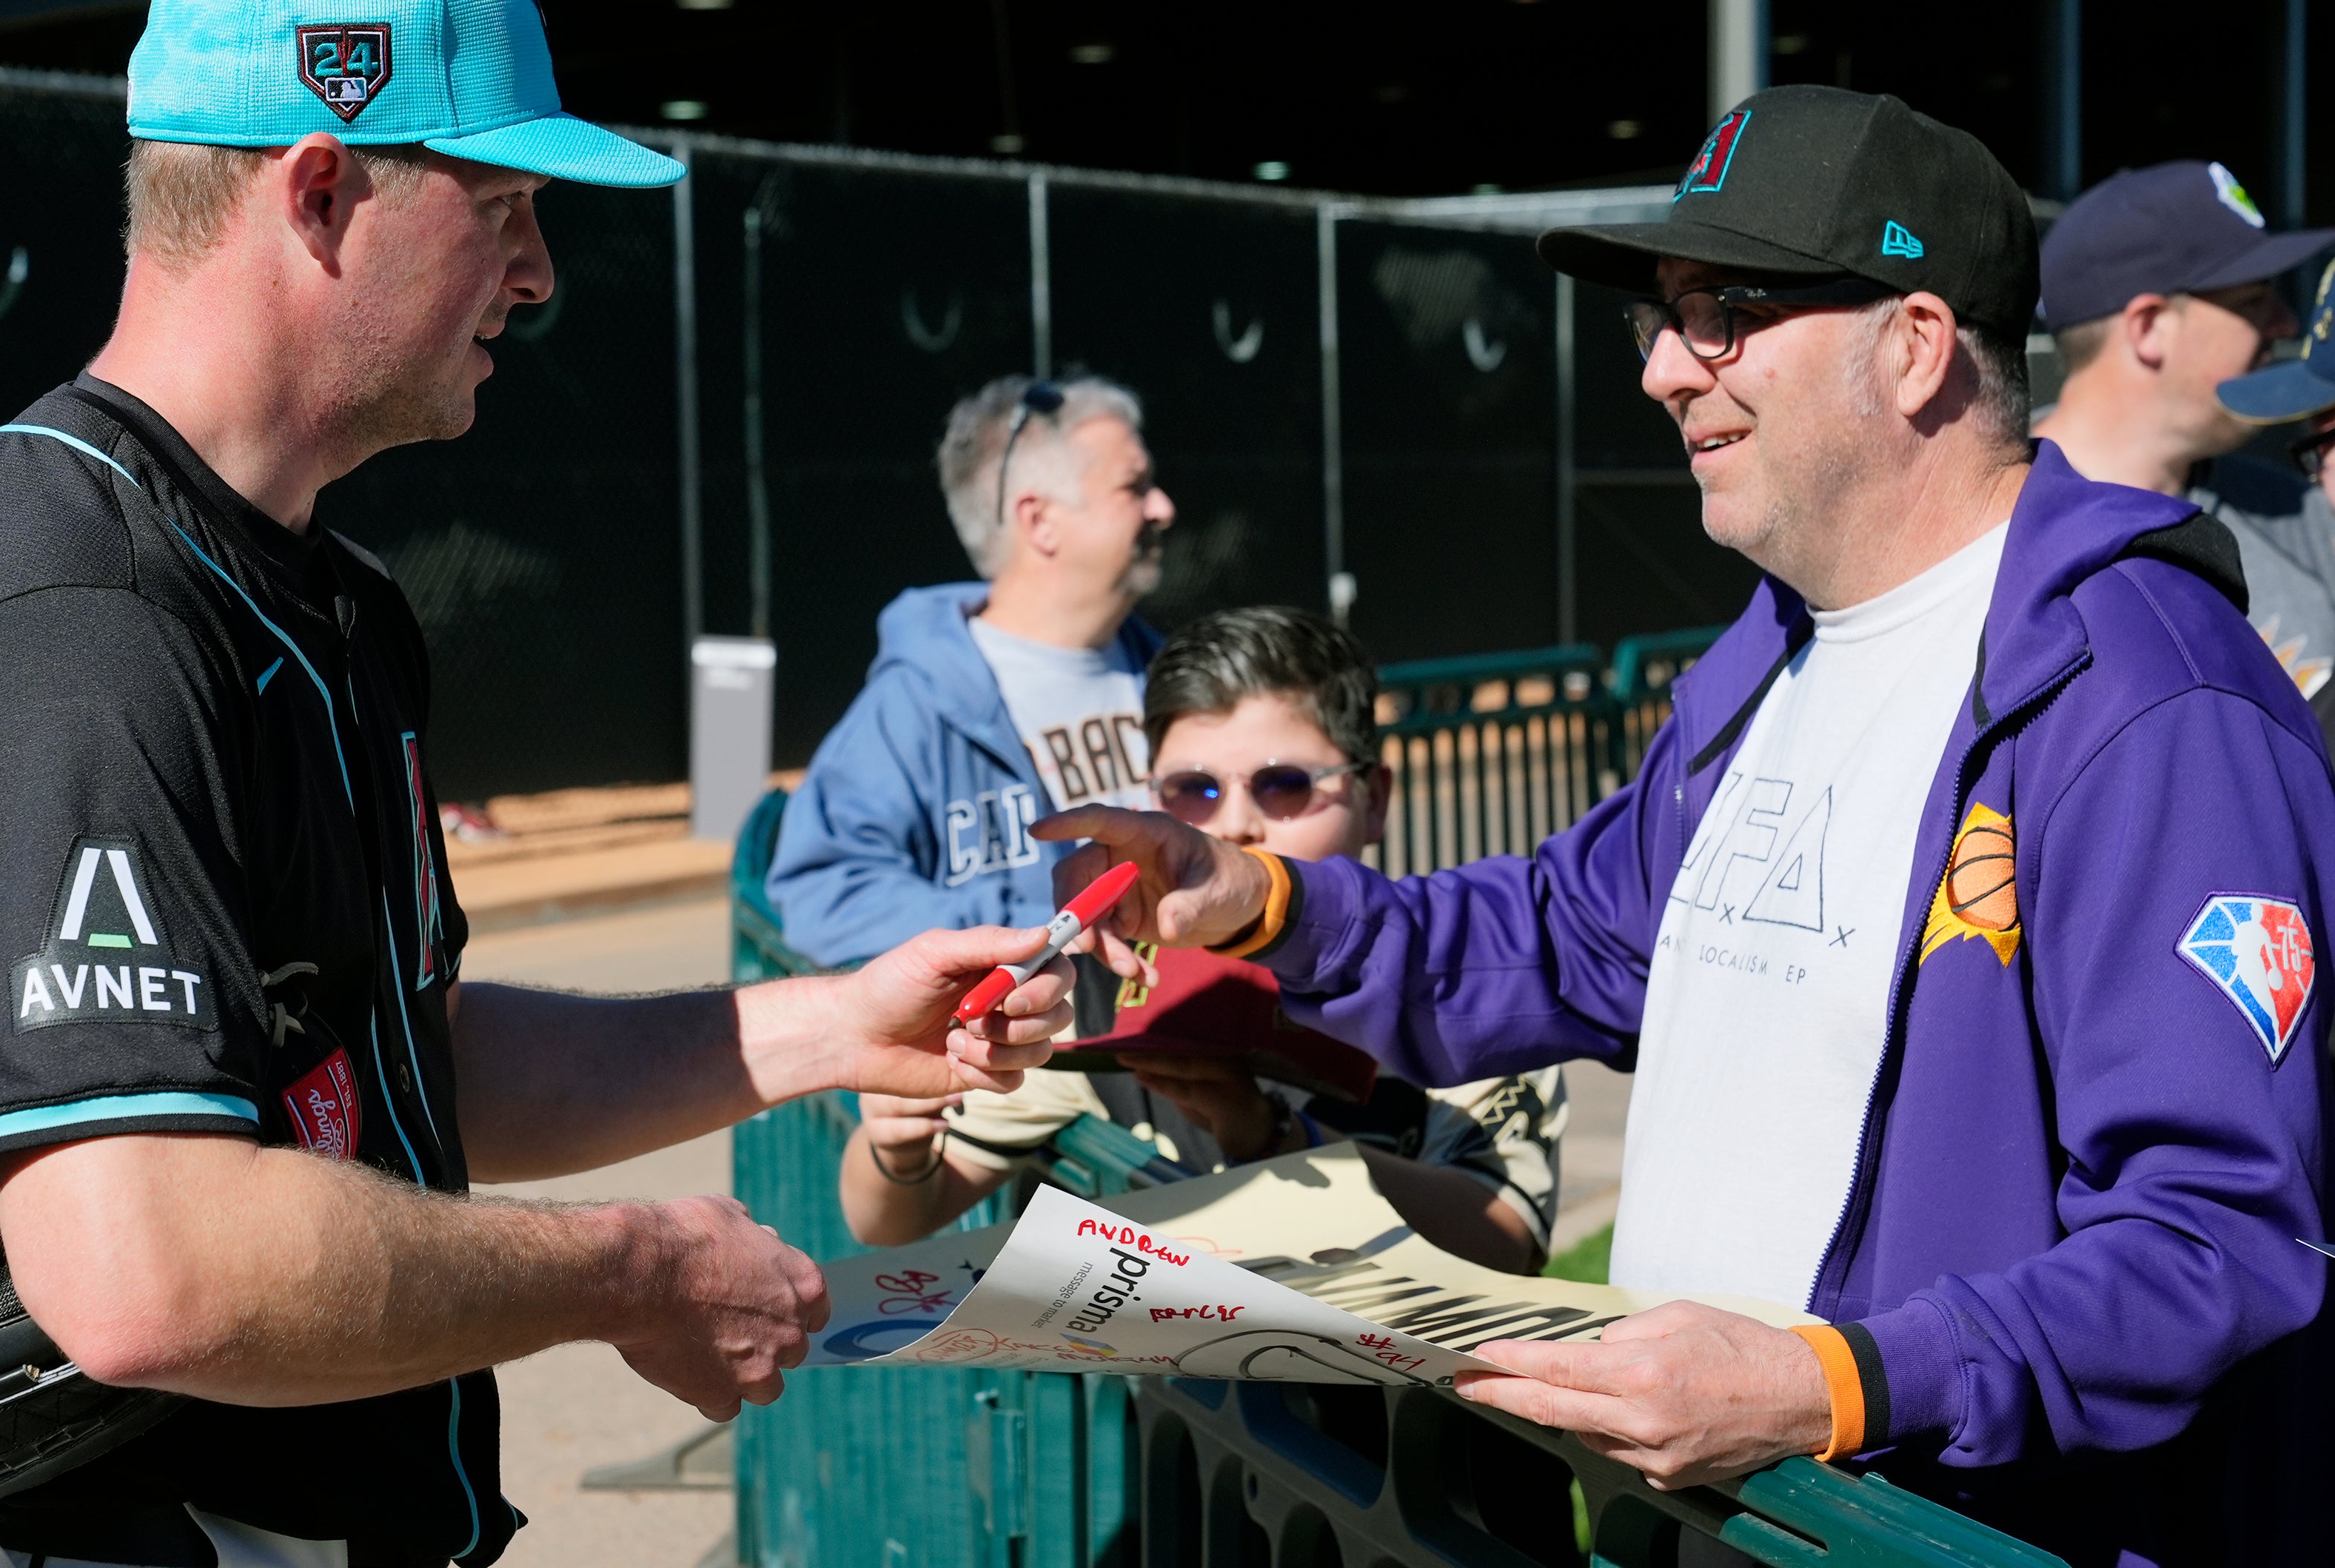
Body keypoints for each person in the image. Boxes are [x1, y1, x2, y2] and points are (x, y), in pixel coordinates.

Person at [0, 0, 1076, 1568]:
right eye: (505, 201)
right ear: (320, 192)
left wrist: (833, 1023)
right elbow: (143, 1263)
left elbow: (398, 1062)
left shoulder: (306, 586)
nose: (536, 271)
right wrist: (635, 1265)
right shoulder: (77, 622)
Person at [1039, 87, 2328, 1562]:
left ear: (1912, 348)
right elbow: (1561, 934)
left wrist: (1832, 1384)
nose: (1662, 370)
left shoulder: (2148, 700)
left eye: (1723, 314)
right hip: (1708, 1524)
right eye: (1660, 316)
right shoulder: (1775, 650)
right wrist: (1260, 896)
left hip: (1946, 1530)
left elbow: (2217, 1244)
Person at [840, 607, 1566, 1274]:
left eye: (1285, 785)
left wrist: (1271, 1137)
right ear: (1155, 801)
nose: (1236, 826)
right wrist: (896, 1146)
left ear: (1374, 798)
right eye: (1195, 790)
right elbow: (890, 1219)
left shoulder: (1466, 973)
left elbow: (1507, 1241)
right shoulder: (1102, 984)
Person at [766, 375, 1173, 968]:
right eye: (1134, 487)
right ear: (1040, 522)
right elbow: (824, 895)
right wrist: (1046, 919)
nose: (1163, 507)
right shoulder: (917, 703)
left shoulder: (1178, 679)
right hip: (1023, 1053)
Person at [2030, 159, 2335, 731]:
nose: (2288, 323)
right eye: (2252, 302)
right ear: (2149, 328)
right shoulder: (1980, 522)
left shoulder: (2294, 508)